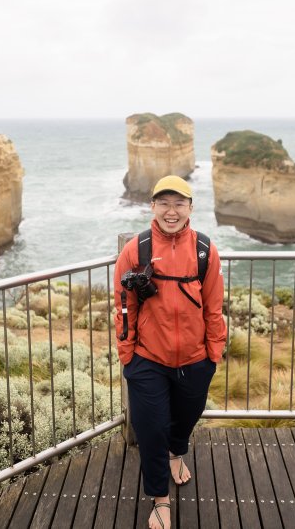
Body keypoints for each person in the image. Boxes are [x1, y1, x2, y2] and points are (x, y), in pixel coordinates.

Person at [114, 175, 227, 529]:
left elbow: (214, 306)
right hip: (148, 359)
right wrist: (127, 354)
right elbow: (123, 305)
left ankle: (178, 451)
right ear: (152, 207)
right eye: (164, 203)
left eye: (179, 203)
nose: (171, 211)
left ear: (191, 208)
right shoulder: (137, 249)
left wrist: (214, 352)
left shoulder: (205, 250)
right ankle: (159, 497)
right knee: (151, 427)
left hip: (196, 358)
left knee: (188, 414)